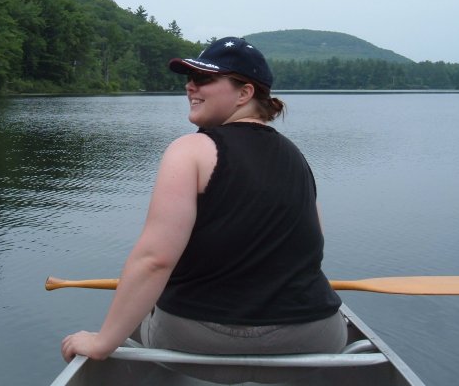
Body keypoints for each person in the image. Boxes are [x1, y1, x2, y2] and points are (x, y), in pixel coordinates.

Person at [61, 37, 346, 364]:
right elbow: (313, 246)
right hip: (314, 336)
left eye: (204, 79)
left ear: (244, 93)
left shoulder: (189, 151)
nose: (190, 87)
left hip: (201, 339)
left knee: (140, 313)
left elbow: (155, 260)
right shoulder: (298, 158)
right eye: (189, 79)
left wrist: (102, 343)